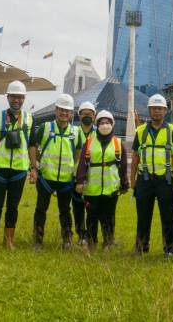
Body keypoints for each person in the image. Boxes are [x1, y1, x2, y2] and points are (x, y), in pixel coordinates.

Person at [0, 80, 36, 249]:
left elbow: (33, 144)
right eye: (13, 97)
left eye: (19, 97)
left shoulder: (29, 119)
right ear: (8, 97)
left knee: (13, 206)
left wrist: (33, 168)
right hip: (0, 169)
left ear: (24, 99)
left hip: (19, 170)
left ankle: (9, 239)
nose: (16, 101)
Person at [130, 94, 173, 257]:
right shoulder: (140, 131)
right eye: (154, 109)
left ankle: (170, 248)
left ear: (165, 111)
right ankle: (141, 246)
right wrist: (132, 180)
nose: (157, 112)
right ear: (149, 110)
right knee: (143, 215)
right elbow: (135, 157)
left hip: (165, 180)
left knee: (168, 215)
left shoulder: (172, 130)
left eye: (160, 109)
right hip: (144, 180)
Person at [31, 93, 80, 249]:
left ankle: (67, 240)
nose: (64, 113)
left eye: (67, 111)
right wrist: (36, 165)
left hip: (66, 180)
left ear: (71, 113)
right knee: (41, 209)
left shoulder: (76, 132)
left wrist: (74, 168)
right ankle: (38, 240)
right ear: (55, 110)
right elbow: (33, 146)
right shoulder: (45, 128)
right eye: (61, 110)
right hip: (46, 178)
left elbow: (78, 151)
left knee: (65, 211)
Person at [75, 109, 128, 250]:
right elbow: (82, 164)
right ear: (97, 125)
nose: (105, 125)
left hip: (111, 189)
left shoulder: (118, 143)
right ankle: (92, 242)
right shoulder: (89, 142)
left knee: (108, 217)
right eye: (102, 122)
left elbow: (122, 165)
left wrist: (124, 183)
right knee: (92, 216)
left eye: (107, 122)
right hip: (92, 189)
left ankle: (108, 242)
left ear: (112, 124)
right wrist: (80, 181)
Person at [72, 100, 96, 245]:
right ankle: (81, 235)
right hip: (76, 177)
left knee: (93, 209)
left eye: (90, 114)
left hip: (94, 178)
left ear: (95, 116)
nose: (87, 116)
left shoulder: (100, 133)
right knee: (77, 208)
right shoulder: (73, 132)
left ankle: (91, 236)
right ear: (79, 116)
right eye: (84, 114)